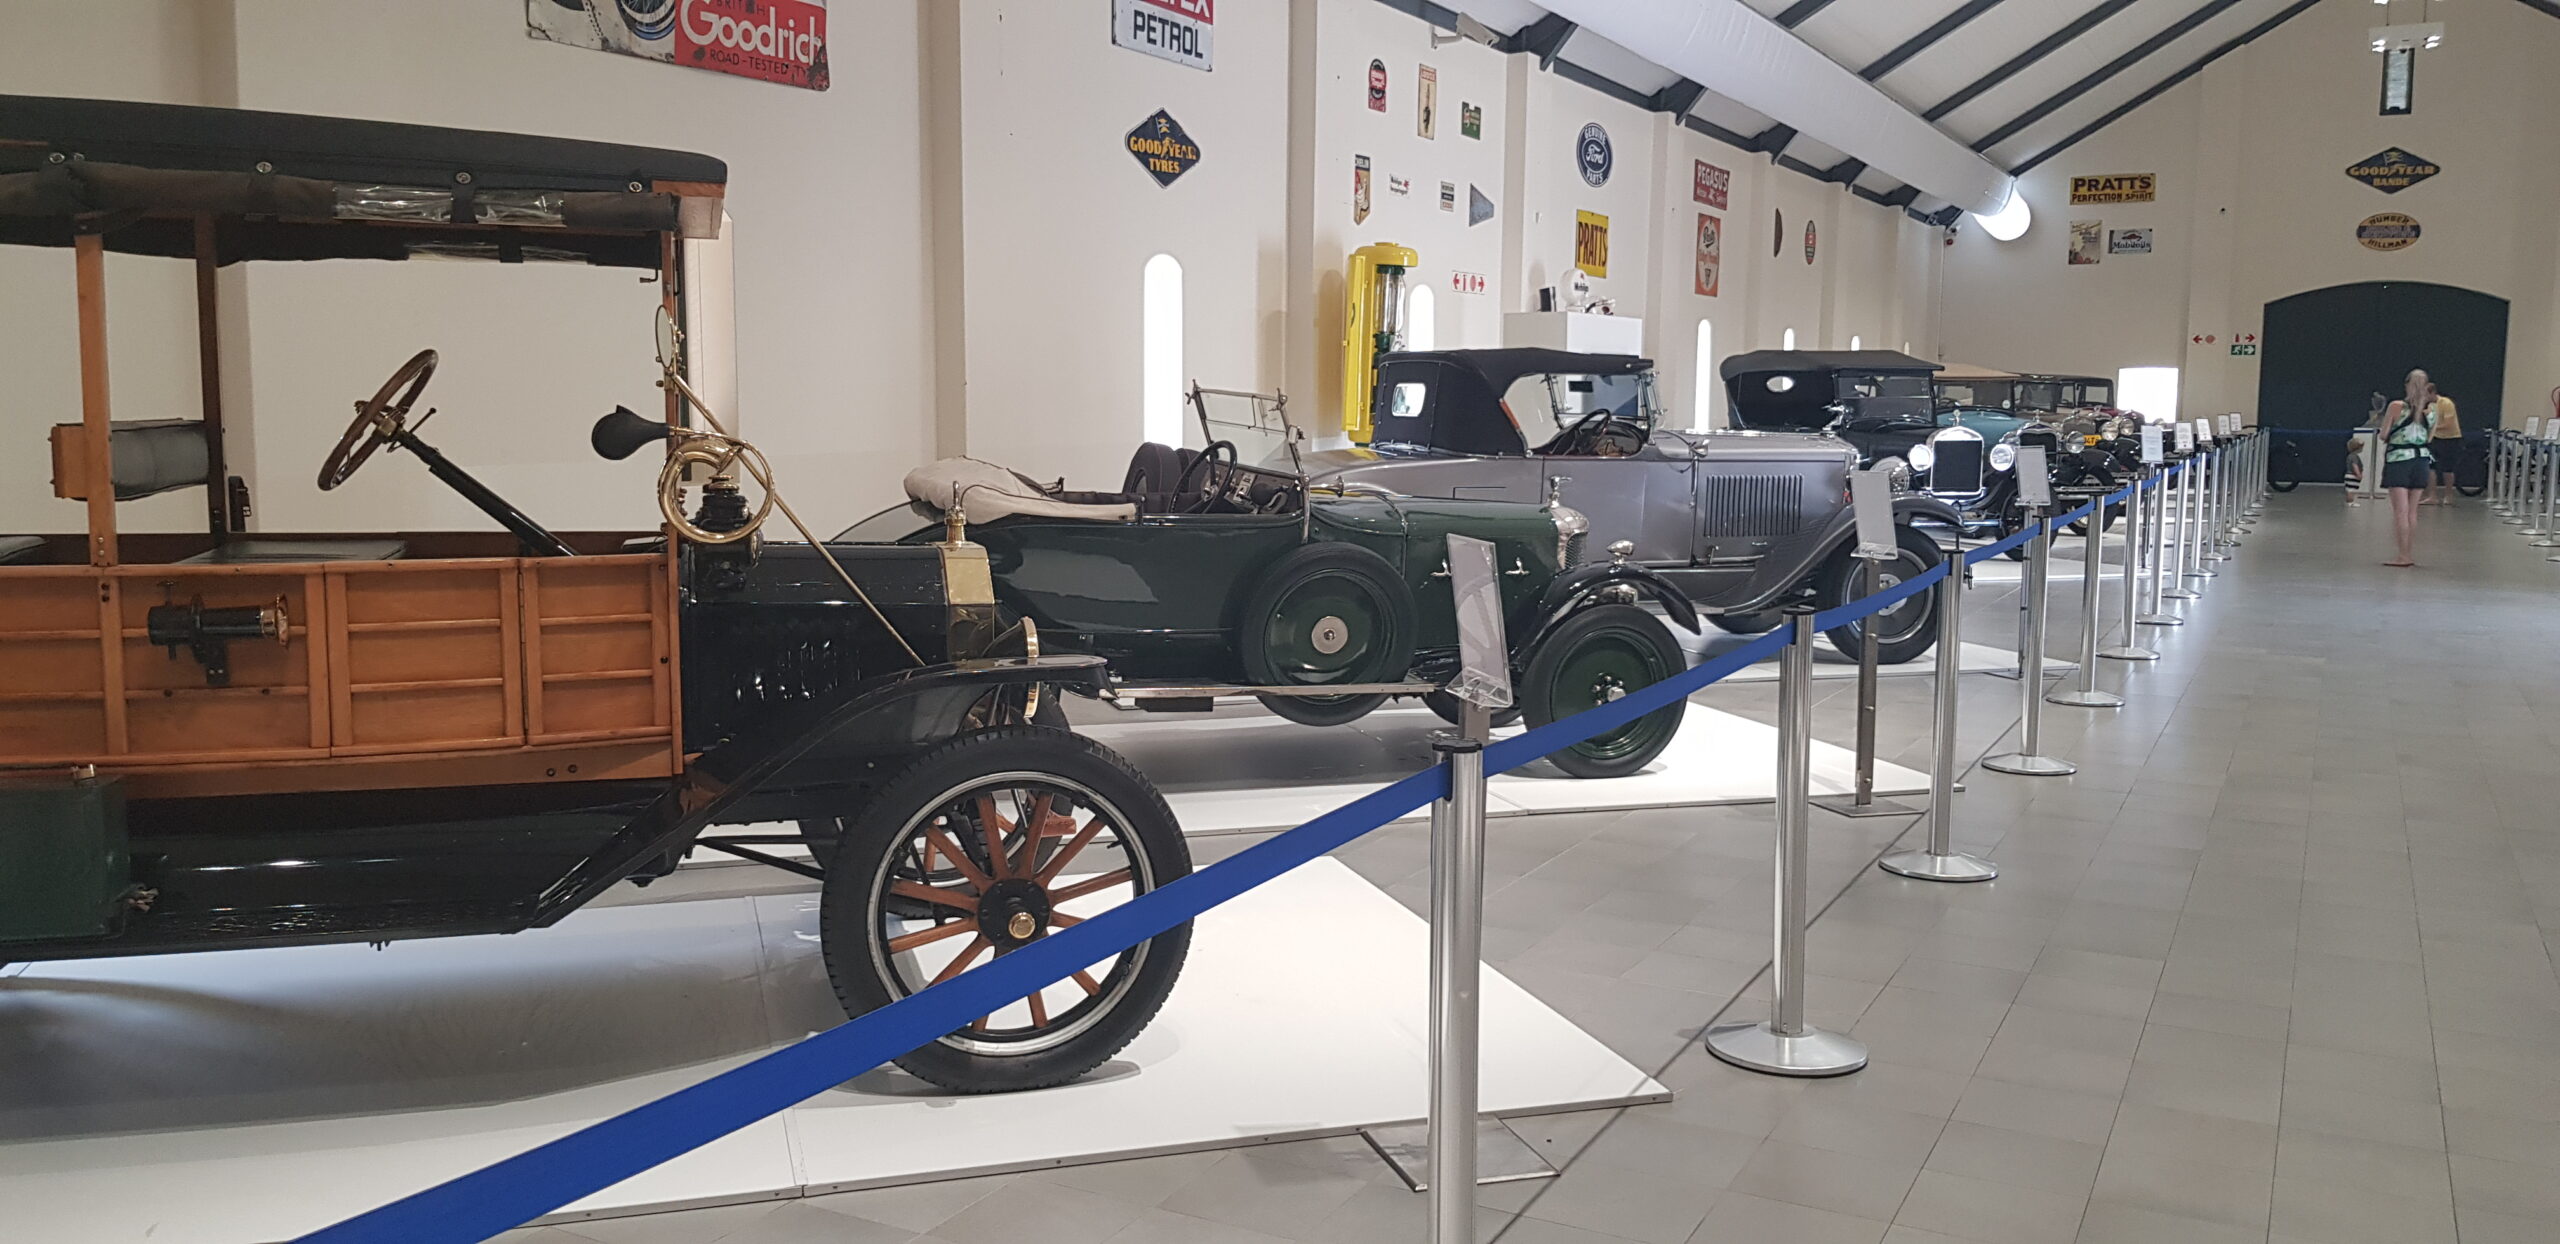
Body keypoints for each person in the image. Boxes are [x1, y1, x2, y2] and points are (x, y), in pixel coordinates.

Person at [2378, 370, 2440, 566]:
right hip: (2421, 461)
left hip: (2399, 460)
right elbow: (2429, 438)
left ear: (2407, 385)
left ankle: (2402, 555)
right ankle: (2408, 553)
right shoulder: (2432, 411)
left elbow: (2383, 434)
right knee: (2412, 512)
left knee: (2400, 512)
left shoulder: (2396, 406)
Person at [2421, 375, 2464, 505]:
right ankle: (2432, 496)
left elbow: (2448, 423)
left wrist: (2433, 427)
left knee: (2447, 469)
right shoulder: (2429, 406)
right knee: (2430, 467)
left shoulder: (2446, 403)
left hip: (2450, 439)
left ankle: (2448, 495)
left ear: (2433, 393)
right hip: (2435, 439)